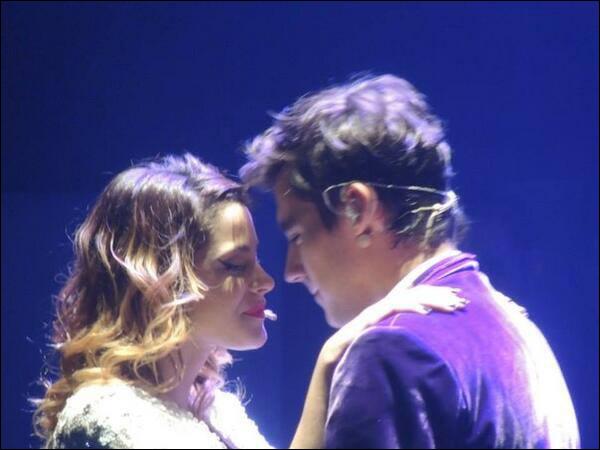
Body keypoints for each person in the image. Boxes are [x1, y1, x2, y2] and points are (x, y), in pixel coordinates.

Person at [32, 153, 463, 449]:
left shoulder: (220, 410)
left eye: (256, 260)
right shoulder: (102, 414)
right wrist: (329, 361)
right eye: (235, 265)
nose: (266, 281)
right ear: (159, 280)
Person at [241, 74, 580, 448]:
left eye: (297, 236)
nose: (291, 271)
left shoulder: (390, 351)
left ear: (358, 210)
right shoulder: (520, 330)